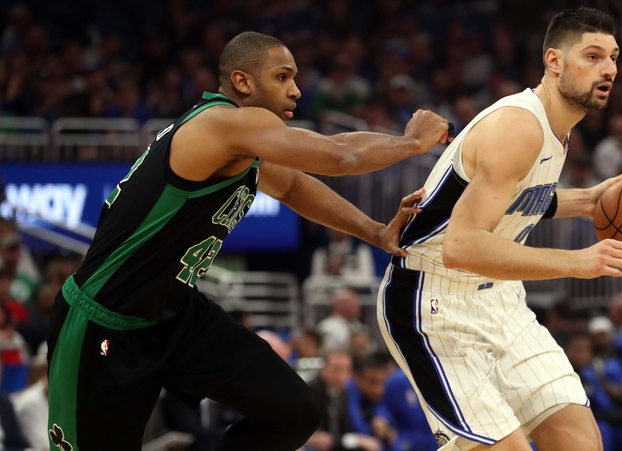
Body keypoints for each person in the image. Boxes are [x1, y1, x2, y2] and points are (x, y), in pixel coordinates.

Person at [47, 31, 452, 451]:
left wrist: (374, 231)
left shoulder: (244, 148)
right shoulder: (222, 124)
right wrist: (412, 143)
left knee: (293, 413)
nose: (295, 89)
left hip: (176, 316)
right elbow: (339, 156)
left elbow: (294, 186)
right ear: (243, 82)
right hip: (104, 320)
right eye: (282, 77)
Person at [376, 8, 622, 451]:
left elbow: (510, 200)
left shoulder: (557, 126)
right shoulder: (519, 126)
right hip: (433, 301)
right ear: (554, 61)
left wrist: (584, 201)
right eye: (593, 56)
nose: (609, 69)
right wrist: (578, 263)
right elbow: (461, 245)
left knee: (580, 441)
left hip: (499, 300)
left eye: (613, 57)